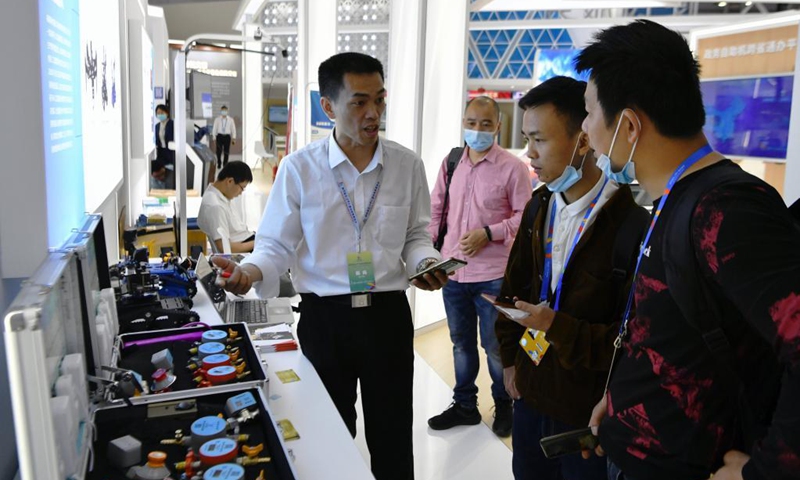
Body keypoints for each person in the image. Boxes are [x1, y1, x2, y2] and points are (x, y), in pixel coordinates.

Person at [575, 20, 800, 480]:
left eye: (589, 112)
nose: (585, 130)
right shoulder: (673, 198)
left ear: (630, 125)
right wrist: (619, 400)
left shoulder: (726, 211)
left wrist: (763, 472)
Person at [211, 52, 447, 480]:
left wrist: (426, 261)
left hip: (387, 318)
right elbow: (275, 244)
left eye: (380, 99)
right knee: (327, 436)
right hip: (325, 321)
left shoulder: (406, 165)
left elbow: (416, 235)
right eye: (359, 102)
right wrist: (249, 273)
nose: (373, 113)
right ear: (328, 107)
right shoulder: (301, 169)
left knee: (393, 438)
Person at [495, 76, 647, 480]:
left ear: (583, 141)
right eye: (526, 140)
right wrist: (510, 361)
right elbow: (515, 287)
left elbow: (629, 339)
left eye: (539, 141)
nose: (529, 154)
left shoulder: (632, 226)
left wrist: (555, 326)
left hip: (587, 411)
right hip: (530, 392)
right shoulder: (539, 205)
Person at [426, 96, 531, 437]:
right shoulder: (452, 161)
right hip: (454, 272)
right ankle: (465, 406)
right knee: (460, 344)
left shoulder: (512, 168)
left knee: (495, 348)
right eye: (471, 123)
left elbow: (525, 217)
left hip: (494, 277)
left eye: (485, 124)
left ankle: (504, 406)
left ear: (498, 126)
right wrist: (429, 253)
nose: (477, 130)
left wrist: (490, 233)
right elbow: (437, 208)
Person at [197, 161, 255, 253]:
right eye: (242, 188)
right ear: (230, 181)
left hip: (247, 239)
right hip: (245, 246)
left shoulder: (222, 195)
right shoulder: (215, 206)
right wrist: (257, 243)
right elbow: (224, 248)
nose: (241, 192)